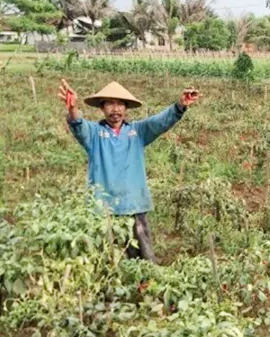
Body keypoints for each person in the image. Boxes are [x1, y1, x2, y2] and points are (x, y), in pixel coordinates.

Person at [58, 79, 200, 263]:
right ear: (102, 108)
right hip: (103, 208)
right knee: (107, 257)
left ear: (126, 108)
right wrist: (72, 108)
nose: (115, 109)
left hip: (134, 204)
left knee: (143, 255)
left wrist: (180, 105)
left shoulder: (138, 132)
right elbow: (78, 125)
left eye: (119, 104)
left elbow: (160, 122)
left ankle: (146, 287)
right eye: (110, 103)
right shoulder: (94, 134)